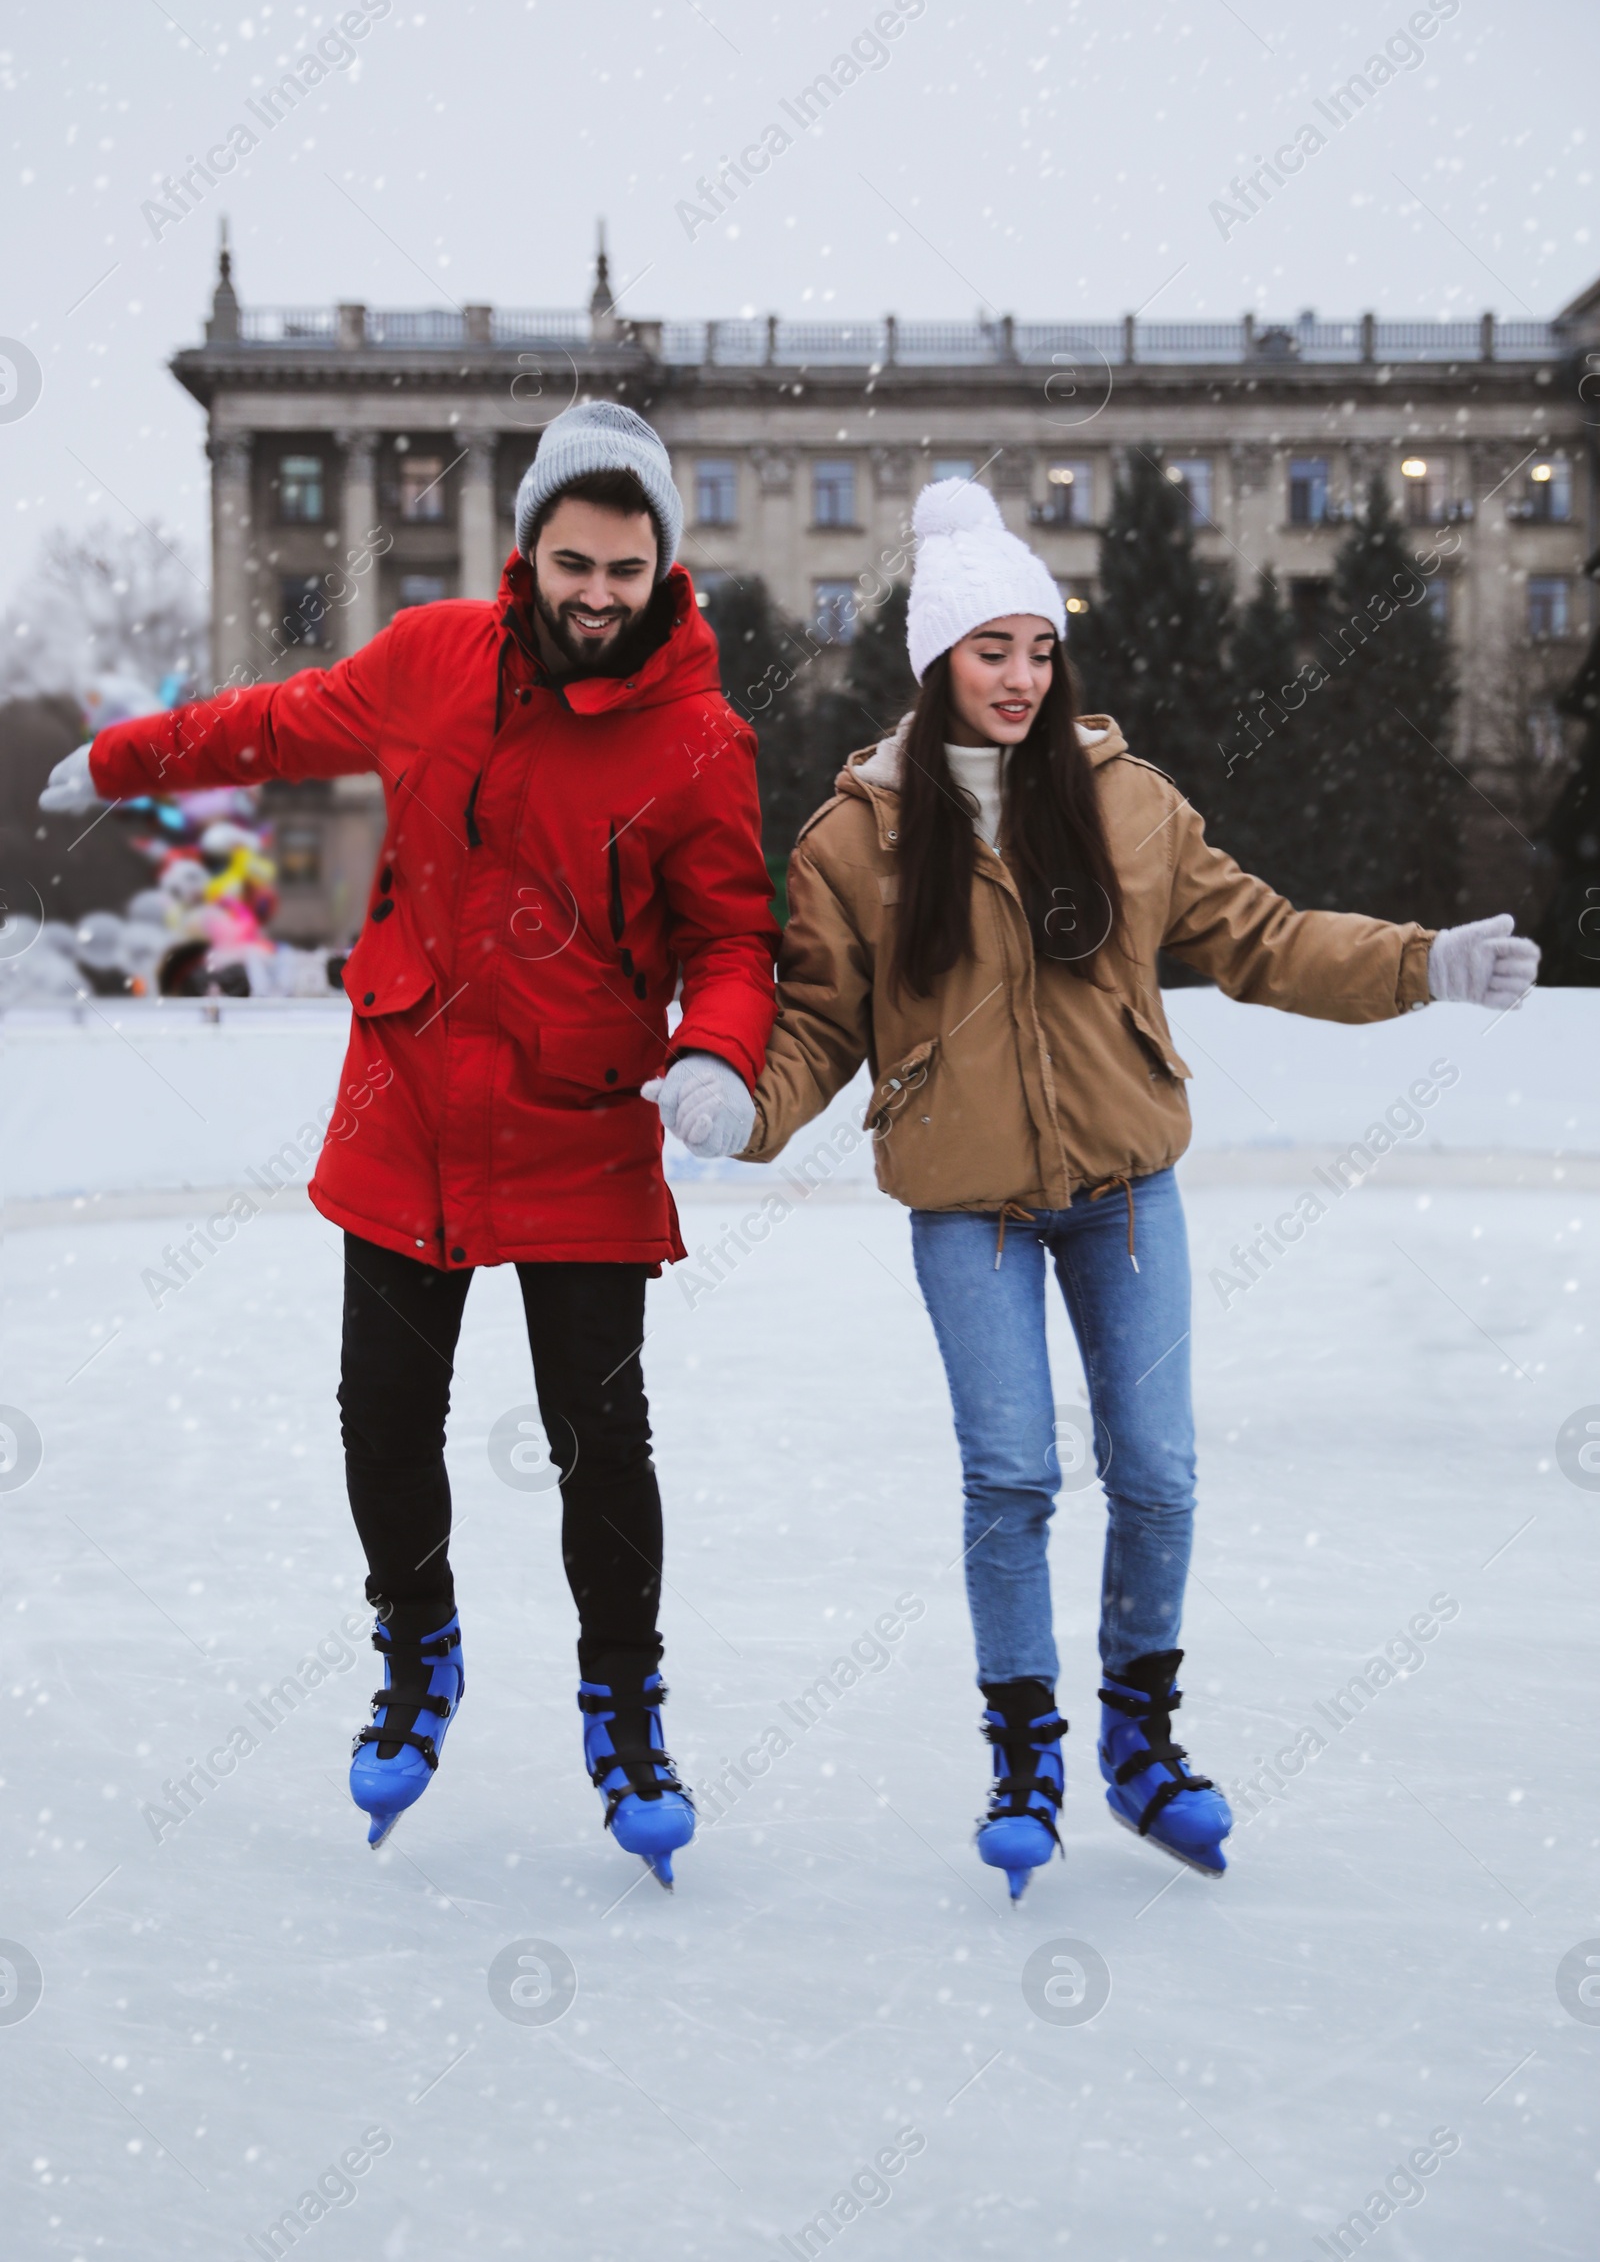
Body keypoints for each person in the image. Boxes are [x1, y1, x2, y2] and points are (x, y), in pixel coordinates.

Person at [657, 477, 1540, 1898]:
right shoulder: (855, 842)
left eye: (1039, 647)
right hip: (970, 1206)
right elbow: (821, 1029)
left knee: (1161, 1473)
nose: (1020, 676)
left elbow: (1261, 939)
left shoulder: (1127, 802)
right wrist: (734, 1109)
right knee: (1010, 1477)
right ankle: (1025, 1760)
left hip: (1127, 1189)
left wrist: (1421, 961)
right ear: (937, 660)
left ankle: (1141, 1742)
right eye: (990, 650)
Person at [41, 402, 777, 1887]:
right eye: (573, 563)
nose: (596, 594)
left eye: (625, 572)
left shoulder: (700, 740)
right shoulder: (433, 659)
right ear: (528, 557)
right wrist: (122, 760)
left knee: (600, 1442)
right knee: (381, 1415)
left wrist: (719, 1053)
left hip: (581, 1128)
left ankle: (625, 1710)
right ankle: (417, 1650)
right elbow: (265, 722)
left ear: (662, 574)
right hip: (410, 1106)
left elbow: (736, 933)